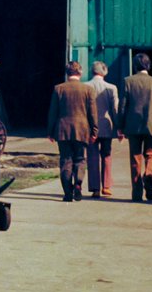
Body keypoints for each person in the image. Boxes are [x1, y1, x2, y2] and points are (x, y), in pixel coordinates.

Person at [47, 61, 97, 201]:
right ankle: (78, 183)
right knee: (80, 159)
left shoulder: (59, 89)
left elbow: (53, 112)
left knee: (66, 160)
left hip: (63, 130)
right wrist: (94, 131)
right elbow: (92, 113)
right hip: (82, 130)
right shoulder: (88, 90)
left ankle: (68, 192)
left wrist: (50, 131)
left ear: (67, 73)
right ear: (80, 73)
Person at [118, 52, 152, 203]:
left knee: (135, 158)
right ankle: (150, 174)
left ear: (135, 65)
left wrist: (120, 126)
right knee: (151, 154)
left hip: (133, 126)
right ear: (148, 65)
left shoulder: (128, 81)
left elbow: (123, 106)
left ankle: (137, 193)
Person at [86, 61, 118, 197]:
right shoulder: (111, 87)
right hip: (106, 126)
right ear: (104, 72)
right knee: (107, 155)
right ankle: (106, 186)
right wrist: (119, 127)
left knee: (92, 157)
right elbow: (115, 109)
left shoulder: (85, 86)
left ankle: (95, 189)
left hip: (89, 127)